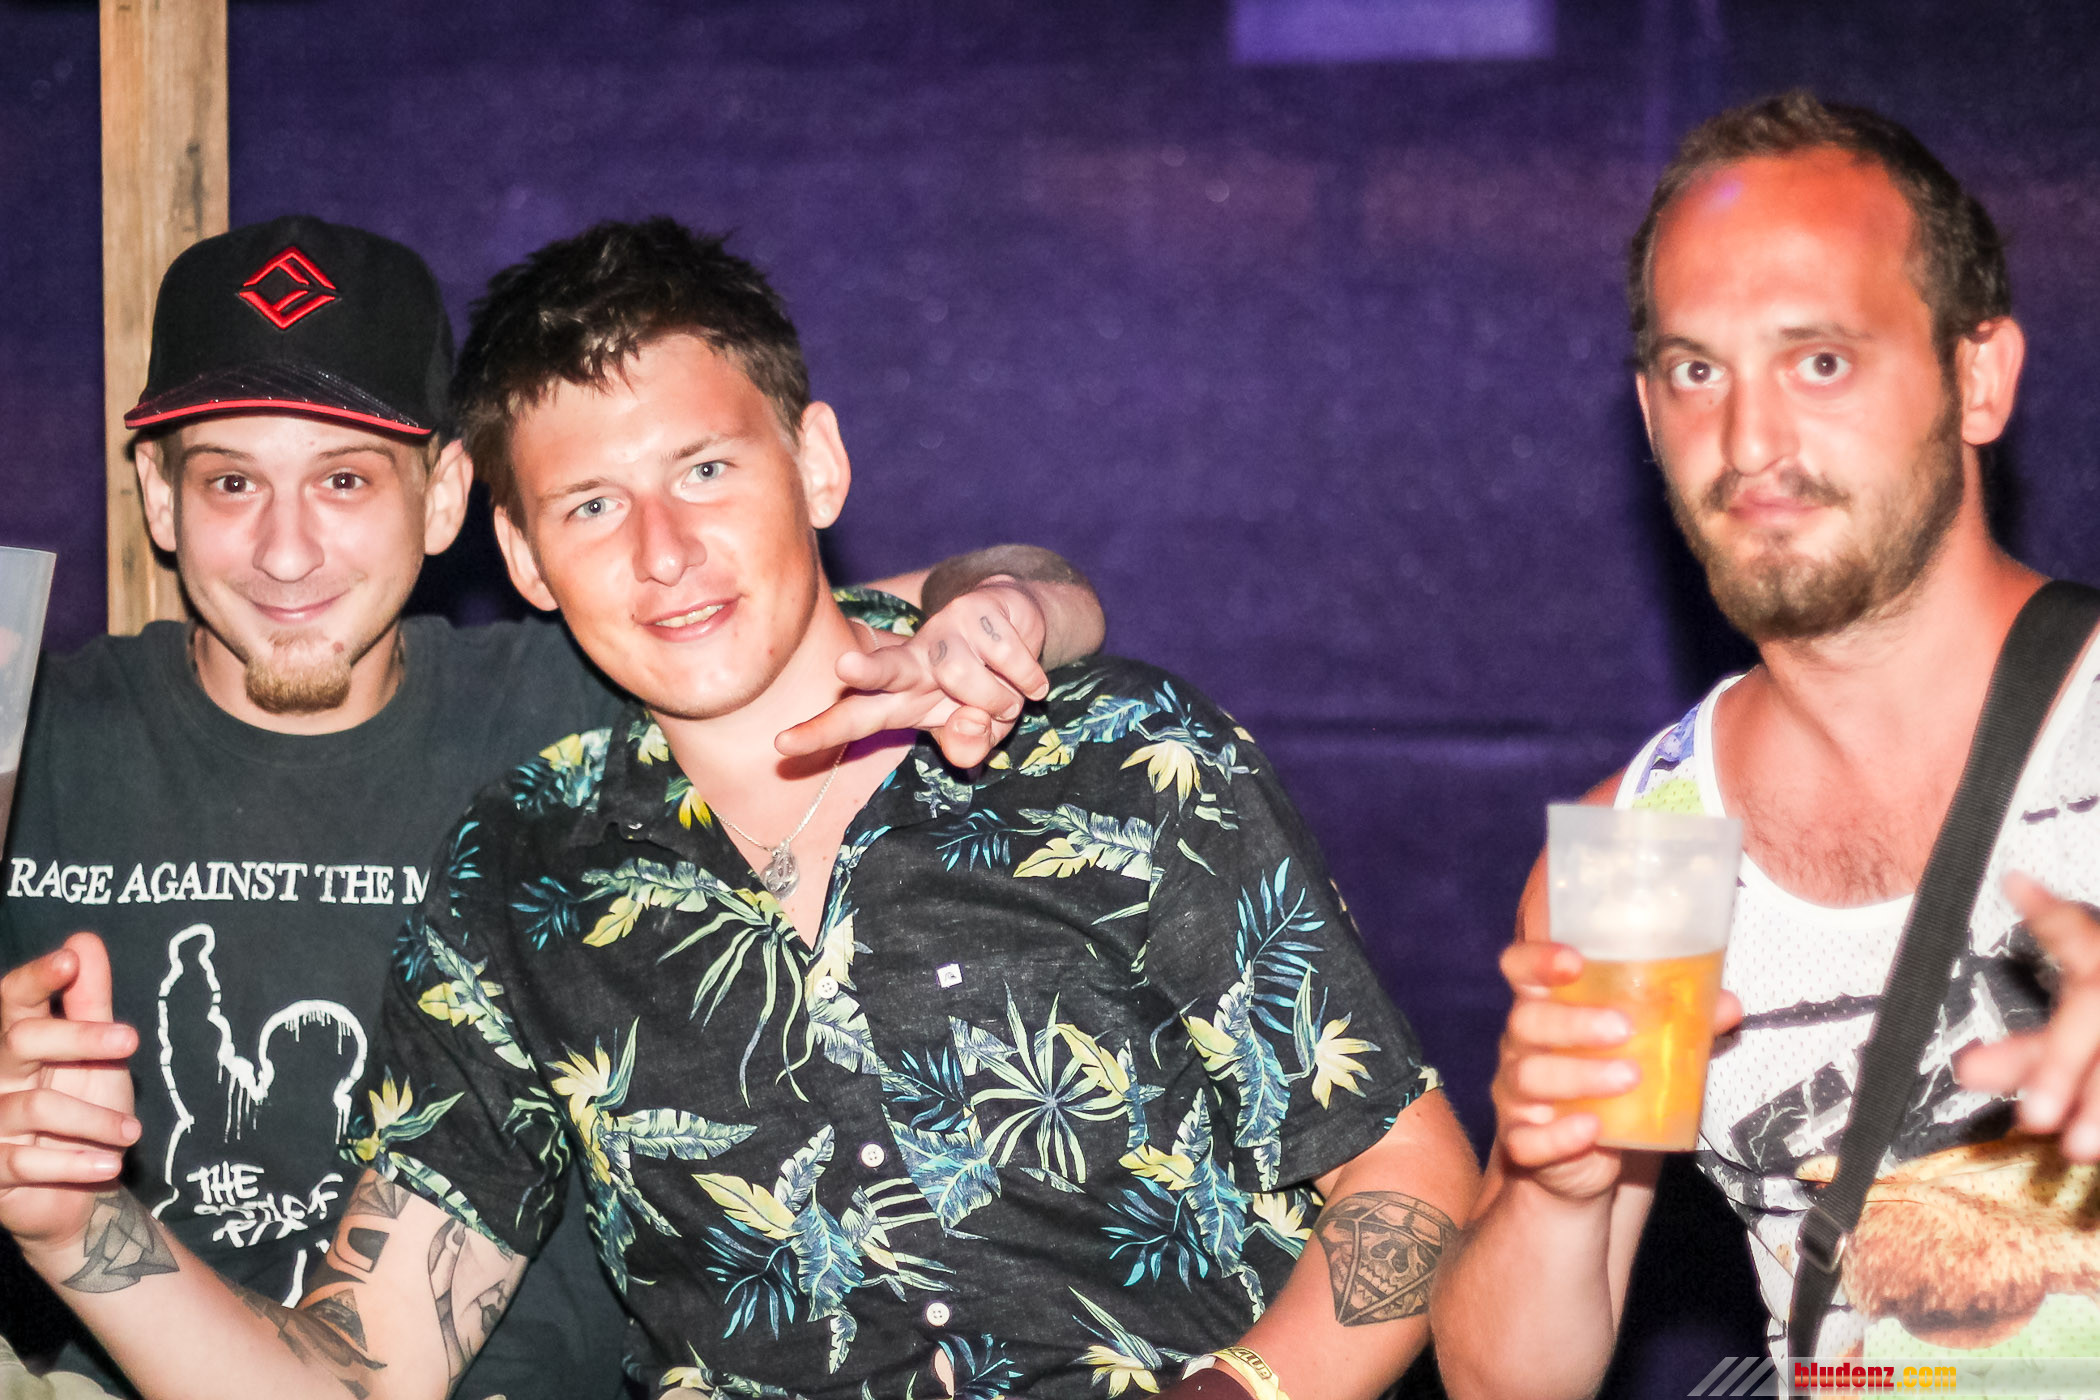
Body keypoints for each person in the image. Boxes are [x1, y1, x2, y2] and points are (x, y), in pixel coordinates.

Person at [0, 216, 1475, 1400]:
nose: (663, 552)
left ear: (816, 464)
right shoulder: (522, 871)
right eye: (591, 506)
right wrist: (74, 1225)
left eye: (704, 470)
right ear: (522, 557)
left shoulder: (1112, 751)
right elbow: (362, 1374)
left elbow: (1408, 1172)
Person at [1430, 91, 2100, 1396]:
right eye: (1698, 371)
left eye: (1820, 361)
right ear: (1648, 413)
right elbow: (1506, 1382)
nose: (1749, 443)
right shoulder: (1643, 851)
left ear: (1978, 377)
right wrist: (1559, 1191)